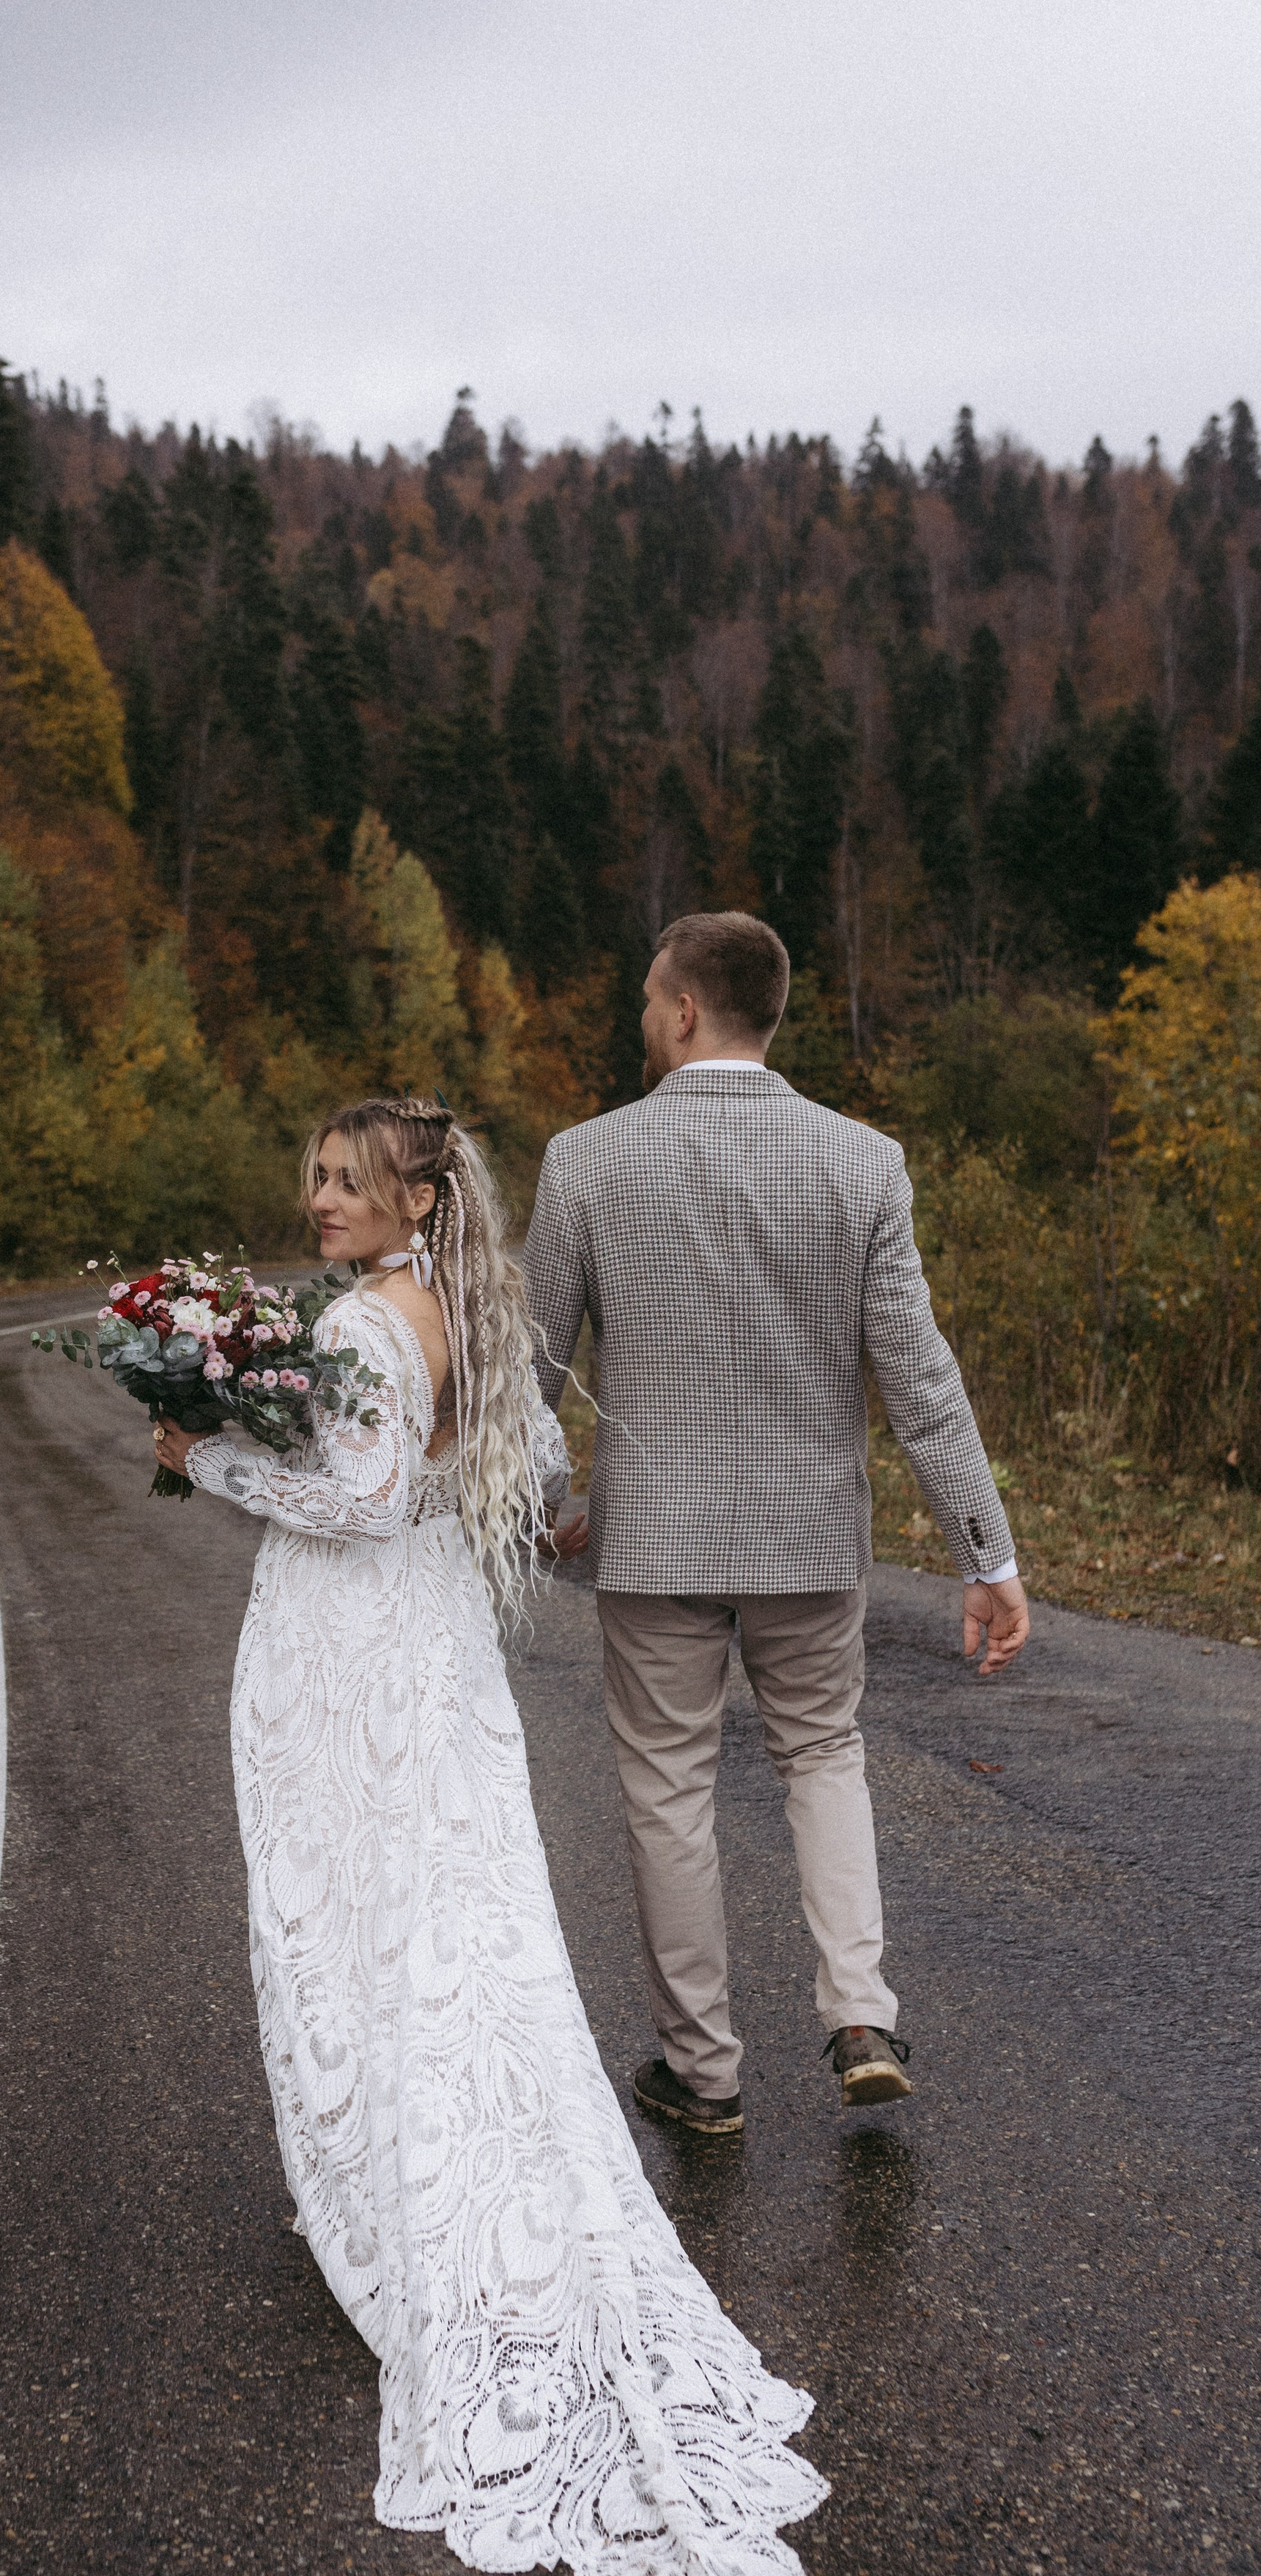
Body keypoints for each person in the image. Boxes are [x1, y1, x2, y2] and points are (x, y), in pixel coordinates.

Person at [153, 1097, 828, 2576]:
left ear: (412, 1198)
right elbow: (494, 1479)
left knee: (358, 1921)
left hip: (353, 1654)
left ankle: (397, 2200)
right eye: (311, 1173)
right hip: (431, 1652)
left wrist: (207, 1456)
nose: (318, 1198)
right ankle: (391, 2170)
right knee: (440, 1925)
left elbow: (365, 1499)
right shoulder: (456, 1312)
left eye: (346, 1180)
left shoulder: (373, 1330)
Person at [523, 912, 1030, 2142]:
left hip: (651, 1545)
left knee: (668, 1792)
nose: (645, 1017)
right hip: (809, 1537)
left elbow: (526, 1375)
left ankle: (702, 2075)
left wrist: (541, 1513)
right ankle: (859, 2014)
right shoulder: (863, 1163)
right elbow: (919, 1374)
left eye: (651, 998)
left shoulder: (585, 1160)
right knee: (823, 1757)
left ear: (686, 1010)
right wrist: (988, 1553)